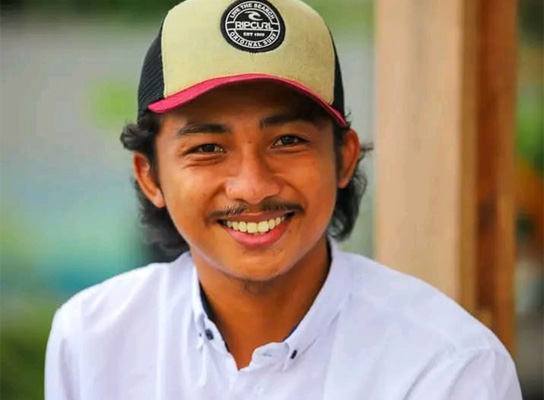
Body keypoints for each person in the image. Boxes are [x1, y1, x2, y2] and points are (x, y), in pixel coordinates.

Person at [45, 0, 523, 399]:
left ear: (343, 158)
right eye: (208, 148)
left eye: (288, 141)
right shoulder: (93, 341)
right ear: (150, 176)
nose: (253, 186)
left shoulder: (447, 366)